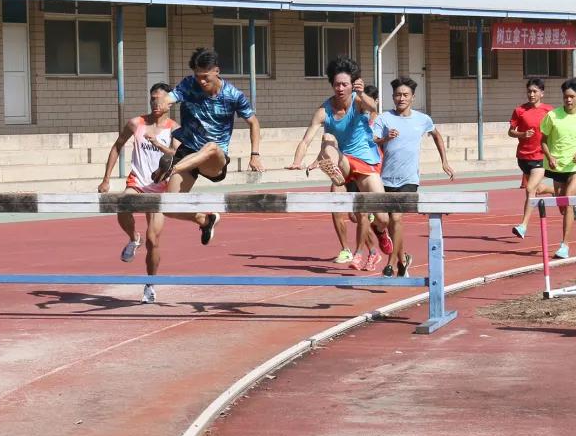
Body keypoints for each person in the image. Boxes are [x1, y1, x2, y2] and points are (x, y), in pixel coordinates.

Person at [141, 47, 264, 303]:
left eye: (206, 77)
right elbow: (172, 97)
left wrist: (255, 153)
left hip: (213, 158)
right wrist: (163, 102)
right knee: (170, 207)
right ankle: (205, 220)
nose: (202, 82)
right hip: (187, 150)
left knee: (211, 147)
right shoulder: (189, 84)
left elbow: (253, 122)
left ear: (217, 71)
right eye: (198, 77)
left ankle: (171, 168)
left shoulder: (233, 95)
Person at [288, 58, 393, 258]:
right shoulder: (323, 110)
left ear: (352, 85)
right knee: (327, 139)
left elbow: (373, 109)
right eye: (337, 84)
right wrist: (297, 161)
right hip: (342, 161)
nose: (340, 88)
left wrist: (361, 93)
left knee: (382, 218)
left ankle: (380, 231)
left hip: (366, 162)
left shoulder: (359, 100)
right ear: (332, 85)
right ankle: (338, 177)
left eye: (345, 84)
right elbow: (306, 140)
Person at [371, 77, 454, 277]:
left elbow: (436, 135)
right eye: (398, 95)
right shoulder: (384, 118)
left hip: (409, 180)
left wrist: (444, 161)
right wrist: (385, 138)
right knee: (389, 222)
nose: (401, 98)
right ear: (393, 97)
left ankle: (391, 263)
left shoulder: (422, 119)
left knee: (397, 218)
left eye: (405, 95)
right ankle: (403, 259)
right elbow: (372, 140)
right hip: (386, 179)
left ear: (413, 98)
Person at [97, 83, 178, 282]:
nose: (155, 103)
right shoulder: (136, 123)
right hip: (138, 184)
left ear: (170, 103)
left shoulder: (175, 129)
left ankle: (151, 283)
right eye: (152, 98)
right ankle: (134, 238)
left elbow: (176, 155)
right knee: (122, 205)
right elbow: (117, 146)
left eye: (160, 99)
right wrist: (106, 178)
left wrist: (158, 144)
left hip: (160, 189)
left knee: (153, 241)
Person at [539, 77, 576, 260]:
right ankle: (574, 206)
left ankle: (564, 245)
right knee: (563, 207)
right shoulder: (552, 116)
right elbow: (543, 141)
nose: (568, 100)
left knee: (568, 199)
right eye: (565, 97)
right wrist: (550, 156)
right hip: (557, 166)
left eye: (572, 96)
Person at [327, 84, 381, 270]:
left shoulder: (377, 120)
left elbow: (378, 142)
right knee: (346, 211)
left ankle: (369, 250)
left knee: (360, 215)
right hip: (347, 167)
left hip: (367, 169)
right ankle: (355, 250)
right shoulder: (353, 115)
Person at [508, 78, 555, 240]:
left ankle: (523, 225)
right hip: (523, 157)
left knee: (530, 190)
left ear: (542, 93)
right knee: (538, 189)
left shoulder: (549, 111)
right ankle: (566, 194)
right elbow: (511, 131)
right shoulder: (519, 110)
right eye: (529, 91)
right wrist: (522, 134)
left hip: (540, 156)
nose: (531, 94)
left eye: (535, 91)